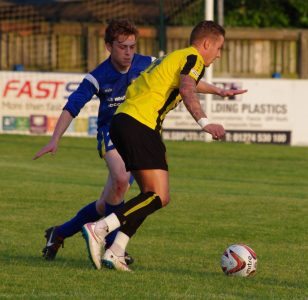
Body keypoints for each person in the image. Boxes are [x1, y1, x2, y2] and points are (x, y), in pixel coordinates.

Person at [82, 20, 248, 271]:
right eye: (219, 48)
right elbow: (187, 87)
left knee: (150, 194)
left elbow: (187, 82)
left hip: (125, 122)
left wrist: (218, 91)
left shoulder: (177, 57)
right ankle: (99, 229)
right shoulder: (194, 58)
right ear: (206, 44)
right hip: (140, 124)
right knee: (159, 196)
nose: (219, 54)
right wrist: (204, 123)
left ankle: (116, 251)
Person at [33, 19, 154, 265]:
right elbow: (72, 107)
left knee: (105, 203)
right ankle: (112, 246)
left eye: (132, 46)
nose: (129, 52)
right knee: (121, 179)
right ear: (108, 46)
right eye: (122, 47)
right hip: (110, 134)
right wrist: (55, 139)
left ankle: (60, 232)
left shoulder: (146, 64)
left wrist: (216, 91)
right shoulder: (98, 76)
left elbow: (181, 76)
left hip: (136, 136)